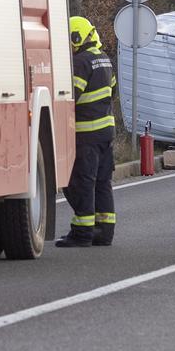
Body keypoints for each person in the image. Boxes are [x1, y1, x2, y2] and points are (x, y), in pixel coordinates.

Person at [56, 15, 118, 248]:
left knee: (82, 182)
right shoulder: (104, 60)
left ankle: (82, 234)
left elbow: (71, 96)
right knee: (103, 182)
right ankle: (104, 232)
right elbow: (112, 92)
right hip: (106, 132)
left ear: (75, 37)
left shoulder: (81, 62)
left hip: (86, 134)